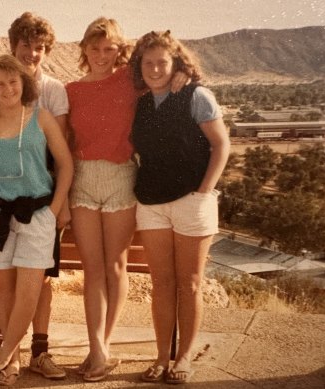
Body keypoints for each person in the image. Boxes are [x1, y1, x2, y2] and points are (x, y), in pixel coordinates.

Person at [65, 18, 187, 382]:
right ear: (84, 49)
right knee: (92, 269)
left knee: (115, 266)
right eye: (95, 47)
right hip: (83, 179)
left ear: (120, 51)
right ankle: (98, 350)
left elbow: (163, 70)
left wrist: (183, 77)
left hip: (120, 179)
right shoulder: (70, 90)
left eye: (110, 48)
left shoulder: (130, 81)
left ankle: (102, 345)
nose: (102, 55)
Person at [129, 30, 230, 384]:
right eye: (148, 62)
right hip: (151, 202)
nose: (155, 69)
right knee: (161, 283)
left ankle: (183, 358)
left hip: (192, 200)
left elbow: (221, 146)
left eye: (162, 62)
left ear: (176, 64)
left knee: (189, 284)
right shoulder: (141, 102)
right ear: (139, 66)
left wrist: (204, 191)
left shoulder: (196, 95)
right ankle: (160, 357)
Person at [0, 55, 73, 385]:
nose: (8, 88)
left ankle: (0, 357)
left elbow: (66, 164)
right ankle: (10, 362)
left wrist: (54, 209)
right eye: (0, 83)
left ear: (24, 84)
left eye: (14, 81)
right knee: (1, 287)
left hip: (37, 213)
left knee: (29, 290)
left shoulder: (41, 119)